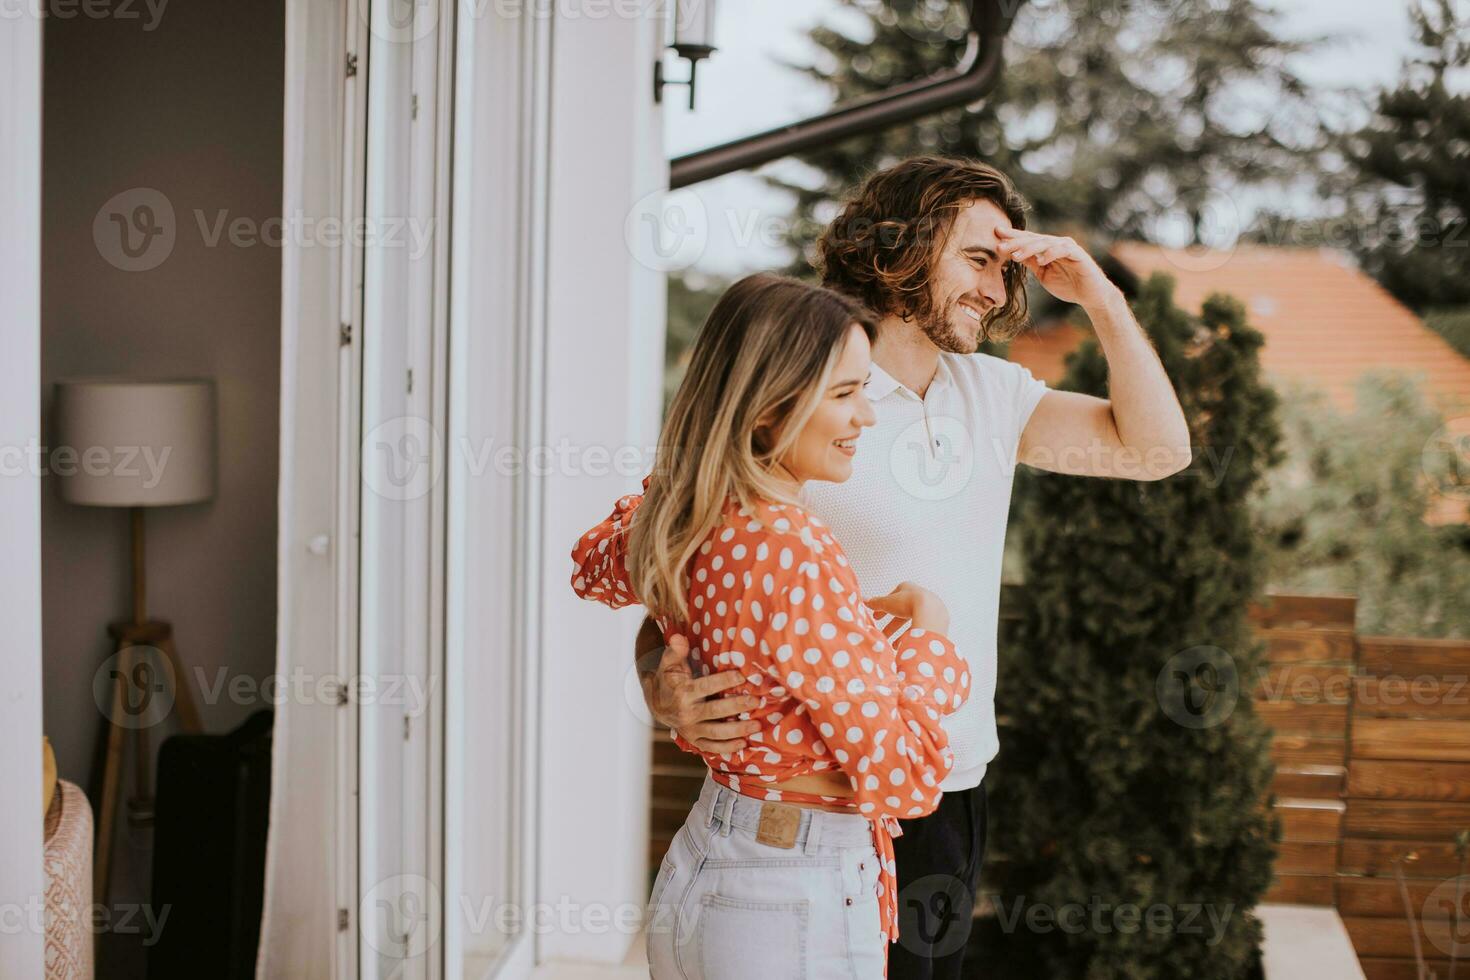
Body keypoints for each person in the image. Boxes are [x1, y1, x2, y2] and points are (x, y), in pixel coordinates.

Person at [636, 156, 1192, 978]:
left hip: (952, 785)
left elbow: (1156, 451)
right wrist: (659, 677)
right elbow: (675, 562)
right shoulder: (802, 397)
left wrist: (1102, 299)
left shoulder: (995, 397)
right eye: (977, 259)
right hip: (822, 808)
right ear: (900, 247)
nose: (998, 291)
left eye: (1006, 269)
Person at [572, 272, 971, 978]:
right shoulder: (794, 548)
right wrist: (932, 638)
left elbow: (594, 567)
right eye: (846, 394)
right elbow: (906, 777)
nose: (866, 418)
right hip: (790, 895)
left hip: (707, 867)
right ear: (766, 409)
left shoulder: (685, 511)